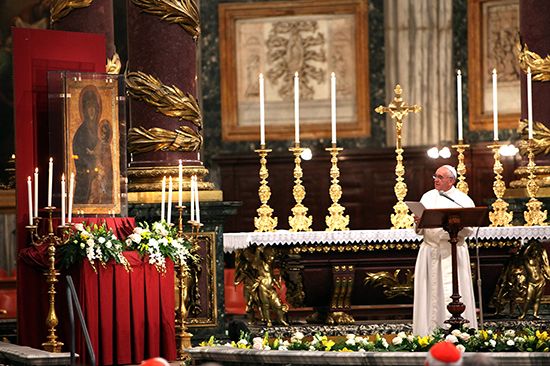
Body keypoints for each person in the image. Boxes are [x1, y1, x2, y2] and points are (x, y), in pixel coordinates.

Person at [413, 165, 478, 336]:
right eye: (435, 176)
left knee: (455, 292)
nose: (436, 179)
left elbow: (469, 228)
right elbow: (419, 230)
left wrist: (454, 226)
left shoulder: (462, 200)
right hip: (431, 251)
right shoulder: (427, 197)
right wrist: (418, 221)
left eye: (441, 177)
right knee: (430, 294)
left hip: (453, 251)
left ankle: (460, 334)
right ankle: (427, 334)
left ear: (451, 180)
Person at [73, 85, 101, 203]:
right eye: (89, 107)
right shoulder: (81, 132)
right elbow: (78, 156)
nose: (92, 110)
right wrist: (92, 158)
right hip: (86, 174)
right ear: (84, 109)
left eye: (94, 106)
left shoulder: (101, 129)